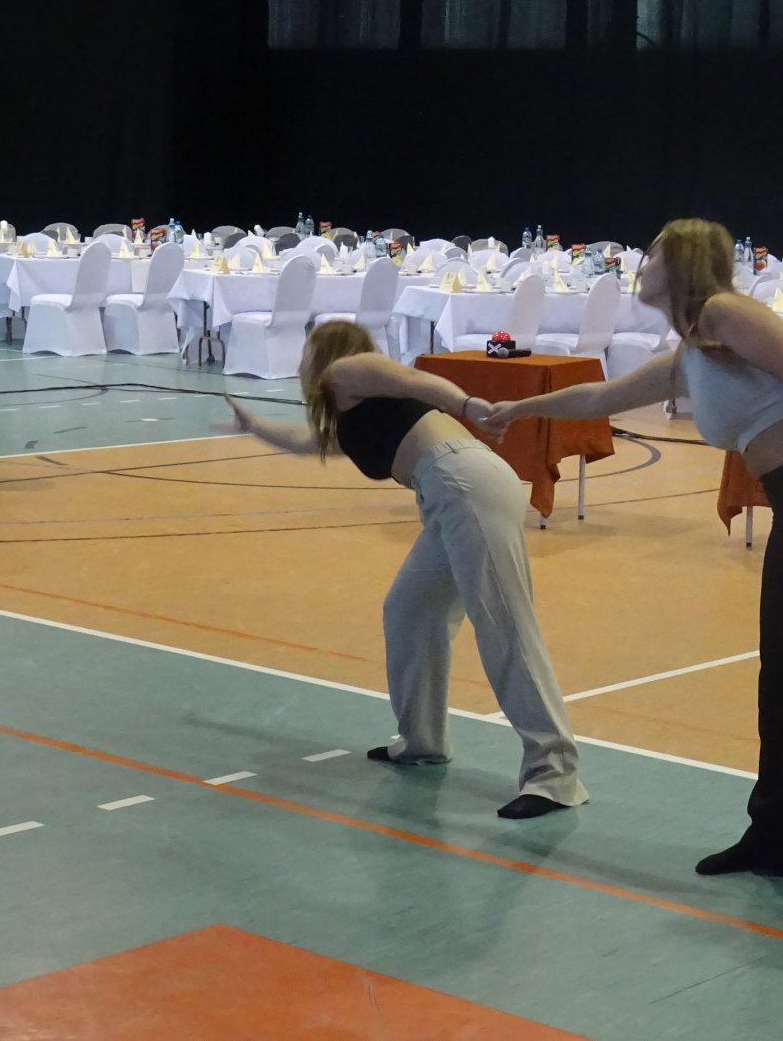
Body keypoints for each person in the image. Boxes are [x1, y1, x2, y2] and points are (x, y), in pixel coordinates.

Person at [482, 218, 783, 919]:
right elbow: (598, 399)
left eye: (652, 255)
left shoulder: (728, 314)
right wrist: (517, 408)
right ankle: (775, 840)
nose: (640, 265)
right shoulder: (692, 350)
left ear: (683, 263)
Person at [225, 321, 587, 819]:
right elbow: (308, 442)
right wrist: (253, 425)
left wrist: (466, 405)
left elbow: (416, 380)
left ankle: (555, 774)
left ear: (327, 350)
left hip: (464, 484)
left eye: (307, 348)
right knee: (409, 612)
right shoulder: (349, 408)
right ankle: (422, 742)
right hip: (451, 492)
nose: (301, 359)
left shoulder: (348, 369)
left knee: (504, 626)